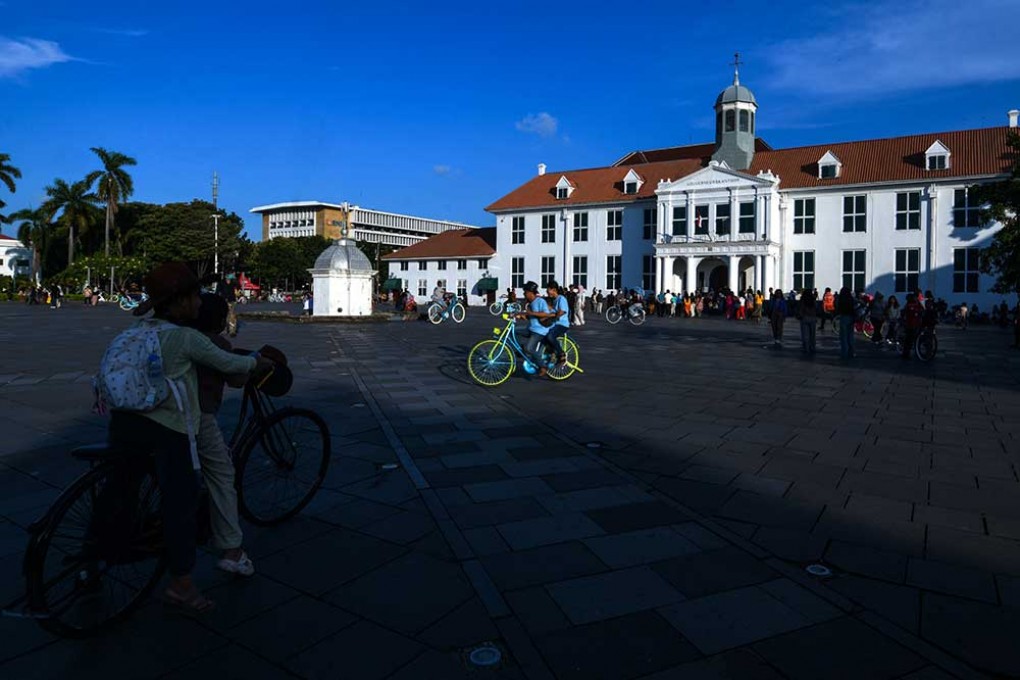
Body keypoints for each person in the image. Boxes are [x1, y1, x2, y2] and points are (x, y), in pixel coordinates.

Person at [101, 263, 272, 613]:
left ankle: (91, 559)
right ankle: (181, 584)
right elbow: (231, 365)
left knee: (119, 491)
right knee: (180, 502)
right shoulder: (185, 338)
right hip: (167, 428)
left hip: (124, 422)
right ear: (179, 302)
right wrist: (257, 363)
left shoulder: (138, 329)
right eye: (194, 296)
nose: (199, 303)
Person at [188, 293, 256, 577]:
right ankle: (232, 549)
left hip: (153, 412)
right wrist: (254, 363)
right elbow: (236, 376)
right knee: (222, 474)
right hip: (197, 416)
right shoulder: (210, 342)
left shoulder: (174, 333)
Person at [516, 282, 555, 376]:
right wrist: (520, 316)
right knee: (514, 332)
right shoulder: (530, 304)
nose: (524, 294)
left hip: (539, 330)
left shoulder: (540, 301)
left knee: (529, 348)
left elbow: (546, 314)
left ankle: (543, 366)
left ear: (530, 292)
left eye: (525, 292)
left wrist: (531, 313)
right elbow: (530, 317)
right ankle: (521, 350)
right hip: (531, 329)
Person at [543, 281, 570, 365]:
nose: (547, 293)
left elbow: (562, 311)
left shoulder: (561, 298)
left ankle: (561, 353)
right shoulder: (555, 300)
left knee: (550, 336)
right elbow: (553, 310)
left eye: (548, 291)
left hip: (562, 324)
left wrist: (552, 316)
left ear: (553, 290)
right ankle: (551, 353)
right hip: (555, 324)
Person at [902, 293, 923, 359]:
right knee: (910, 339)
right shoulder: (911, 305)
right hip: (912, 324)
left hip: (913, 324)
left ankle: (907, 352)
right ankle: (906, 353)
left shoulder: (909, 305)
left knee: (909, 339)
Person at [836, 286, 855, 359]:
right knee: (850, 336)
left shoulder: (841, 299)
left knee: (843, 336)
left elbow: (837, 308)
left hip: (844, 317)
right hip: (851, 317)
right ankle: (851, 352)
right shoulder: (851, 299)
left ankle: (844, 353)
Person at [799, 288, 817, 354]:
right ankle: (812, 347)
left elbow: (801, 308)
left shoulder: (802, 300)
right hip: (812, 318)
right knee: (812, 334)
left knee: (805, 334)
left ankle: (806, 347)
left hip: (805, 317)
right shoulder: (813, 299)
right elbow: (816, 308)